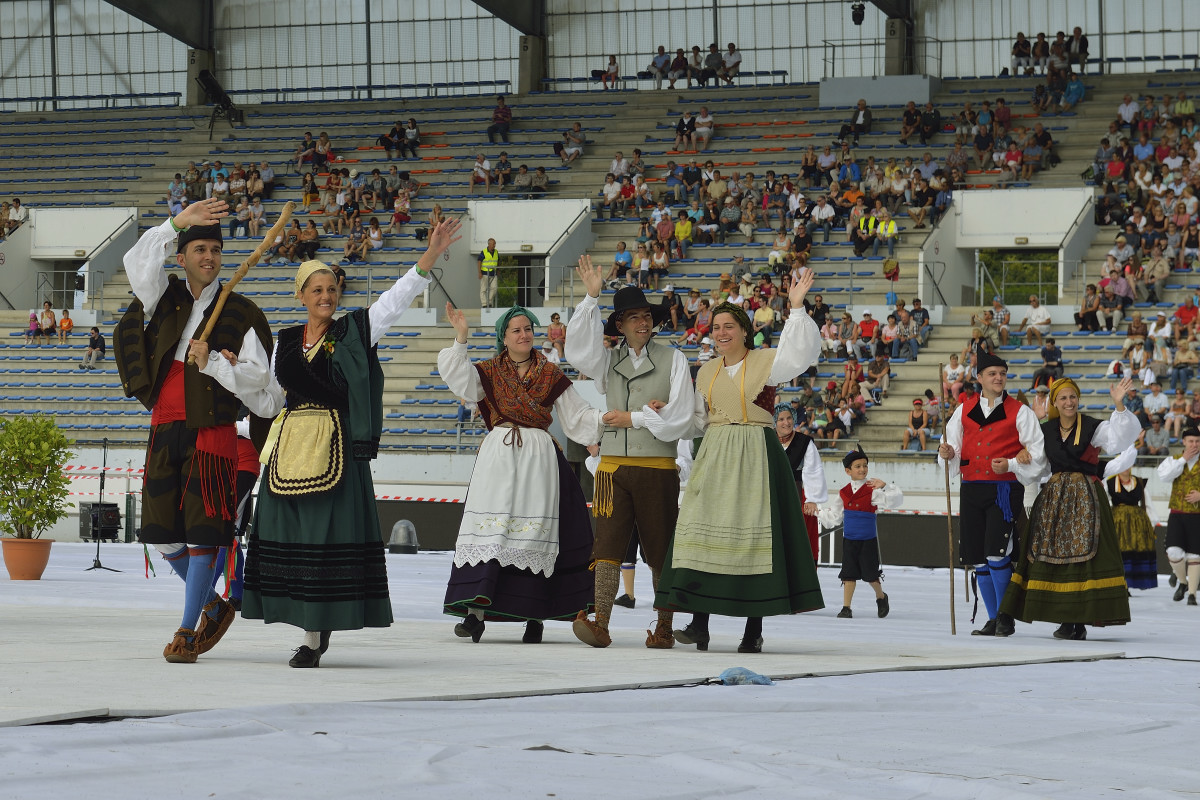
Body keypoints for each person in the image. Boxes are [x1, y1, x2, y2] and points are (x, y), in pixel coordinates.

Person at [243, 219, 462, 667]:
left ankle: (313, 635)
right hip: (290, 452)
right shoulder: (283, 342)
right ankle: (305, 622)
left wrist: (429, 257)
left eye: (332, 289)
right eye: (317, 290)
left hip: (336, 455)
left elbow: (394, 301)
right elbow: (267, 398)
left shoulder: (353, 333)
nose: (327, 296)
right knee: (295, 539)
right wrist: (225, 372)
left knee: (325, 542)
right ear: (300, 296)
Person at [112, 197, 275, 664]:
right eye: (198, 249)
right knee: (162, 534)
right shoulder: (163, 296)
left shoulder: (243, 313)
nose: (208, 257)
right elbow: (136, 260)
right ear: (181, 258)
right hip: (164, 426)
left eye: (215, 250)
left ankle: (185, 632)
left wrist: (221, 367)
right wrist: (176, 222)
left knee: (205, 532)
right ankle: (212, 605)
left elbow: (261, 384)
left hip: (213, 433)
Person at [658, 271, 824, 653]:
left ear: (745, 331)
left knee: (755, 538)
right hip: (716, 451)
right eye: (716, 327)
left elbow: (800, 355)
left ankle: (753, 631)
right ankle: (699, 623)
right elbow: (697, 419)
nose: (720, 332)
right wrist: (665, 410)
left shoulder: (767, 361)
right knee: (702, 533)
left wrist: (796, 308)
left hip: (755, 452)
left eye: (728, 326)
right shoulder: (706, 371)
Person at [439, 301, 604, 644]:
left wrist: (606, 421)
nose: (524, 334)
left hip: (537, 458)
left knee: (533, 535)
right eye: (516, 330)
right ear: (503, 337)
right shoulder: (487, 371)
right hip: (498, 456)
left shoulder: (551, 373)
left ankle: (535, 616)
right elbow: (460, 382)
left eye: (528, 328)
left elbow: (577, 416)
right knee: (493, 532)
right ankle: (475, 614)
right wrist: (461, 339)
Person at [566, 259, 699, 649]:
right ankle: (600, 622)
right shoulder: (608, 361)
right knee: (606, 546)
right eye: (633, 317)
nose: (642, 323)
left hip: (657, 467)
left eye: (646, 316)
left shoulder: (674, 358)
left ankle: (663, 627)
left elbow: (681, 417)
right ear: (619, 325)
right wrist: (591, 297)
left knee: (660, 549)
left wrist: (634, 418)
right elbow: (577, 351)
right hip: (612, 469)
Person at [1001, 377, 1138, 640]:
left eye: (1072, 397)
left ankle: (1080, 620)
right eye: (1063, 398)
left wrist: (1119, 405)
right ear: (1055, 402)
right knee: (1052, 554)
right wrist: (1017, 459)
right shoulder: (1045, 430)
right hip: (1054, 498)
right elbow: (1037, 464)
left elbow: (1120, 439)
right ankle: (1065, 619)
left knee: (1086, 556)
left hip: (1087, 496)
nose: (1069, 402)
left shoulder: (1092, 427)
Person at [937, 352, 1047, 637]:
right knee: (977, 558)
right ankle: (991, 617)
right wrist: (947, 453)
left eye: (1002, 373)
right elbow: (951, 446)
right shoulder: (963, 410)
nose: (998, 378)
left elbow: (1038, 455)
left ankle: (1006, 616)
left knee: (998, 554)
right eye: (992, 373)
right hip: (971, 488)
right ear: (979, 378)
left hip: (1003, 490)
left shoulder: (1020, 411)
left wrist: (1010, 463)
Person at [818, 449, 903, 619]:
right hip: (849, 540)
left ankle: (881, 597)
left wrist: (885, 486)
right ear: (847, 471)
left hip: (867, 540)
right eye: (857, 466)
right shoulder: (843, 493)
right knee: (848, 574)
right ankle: (846, 607)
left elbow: (895, 500)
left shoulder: (873, 490)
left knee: (871, 575)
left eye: (865, 465)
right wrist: (817, 512)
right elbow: (834, 516)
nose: (862, 469)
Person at [774, 402, 827, 562]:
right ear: (774, 422)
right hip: (773, 496)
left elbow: (814, 471)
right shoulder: (768, 441)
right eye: (781, 419)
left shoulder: (804, 442)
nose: (786, 422)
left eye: (789, 418)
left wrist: (811, 499)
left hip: (797, 496)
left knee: (801, 538)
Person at [1156, 428, 1200, 604]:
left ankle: (1192, 595)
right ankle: (1183, 582)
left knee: (1195, 555)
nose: (1194, 445)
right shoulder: (1173, 460)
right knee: (1173, 552)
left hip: (1197, 515)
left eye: (1197, 441)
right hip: (1177, 514)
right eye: (1191, 441)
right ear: (1183, 442)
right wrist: (1183, 459)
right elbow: (1164, 476)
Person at [1107, 467, 1158, 591]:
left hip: (1138, 523)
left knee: (1135, 551)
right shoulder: (1110, 483)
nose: (1126, 468)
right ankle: (1121, 582)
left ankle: (1130, 582)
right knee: (1119, 551)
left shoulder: (1139, 482)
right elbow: (1104, 502)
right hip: (1118, 522)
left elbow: (1148, 504)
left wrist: (1152, 523)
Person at [478, 237, 499, 308]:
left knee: (494, 288)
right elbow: (479, 261)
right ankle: (484, 304)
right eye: (493, 244)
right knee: (483, 289)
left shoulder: (496, 252)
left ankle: (489, 302)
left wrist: (498, 270)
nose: (494, 245)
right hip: (485, 273)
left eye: (495, 244)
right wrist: (479, 272)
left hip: (494, 273)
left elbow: (498, 261)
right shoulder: (483, 252)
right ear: (489, 244)